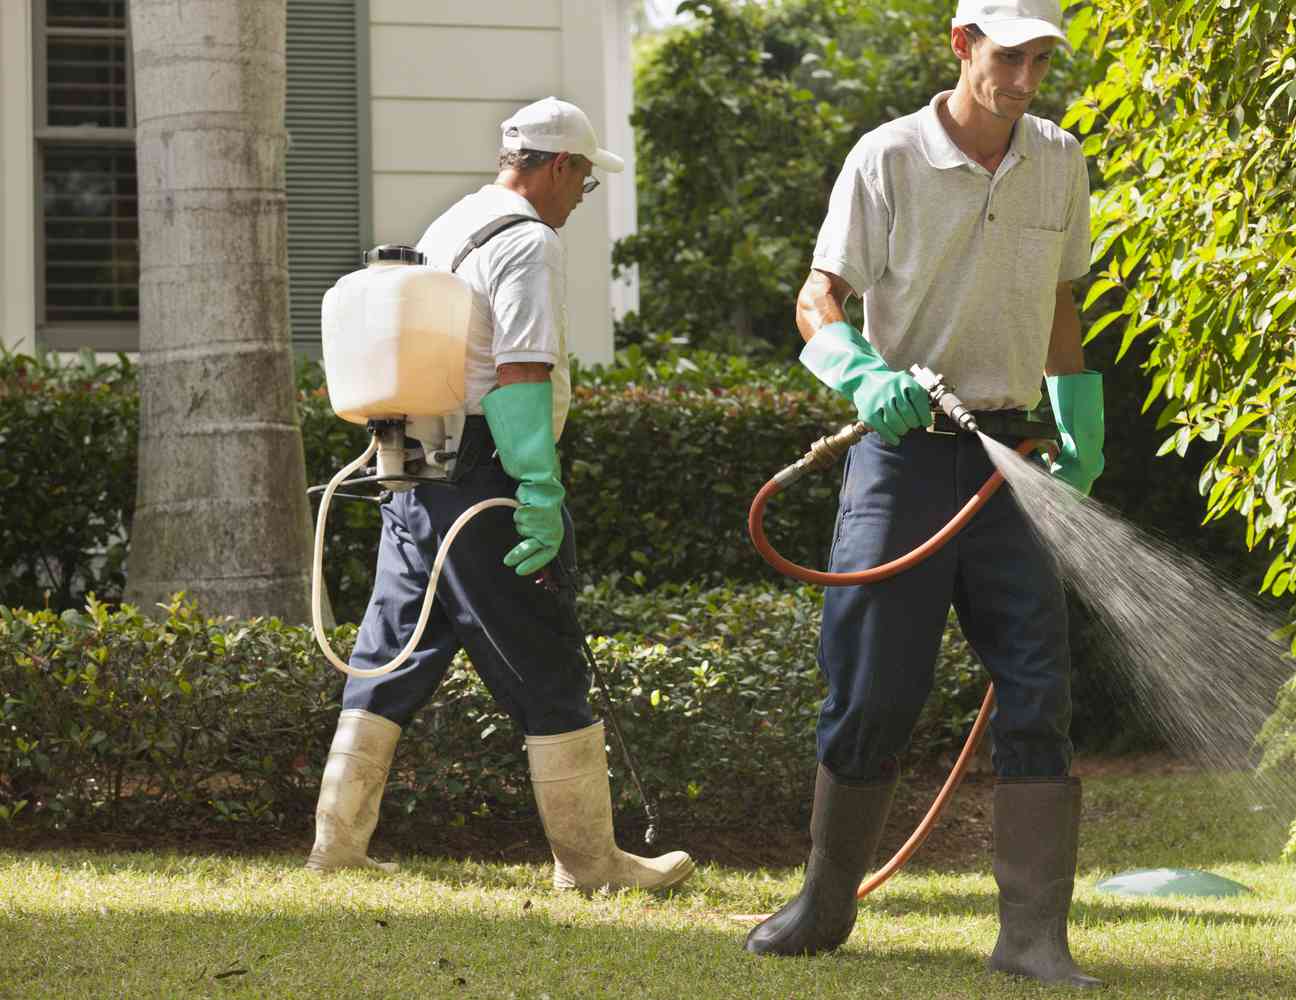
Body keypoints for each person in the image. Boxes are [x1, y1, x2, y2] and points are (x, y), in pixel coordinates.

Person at [744, 1, 1105, 987]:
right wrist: (862, 375)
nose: (1027, 80)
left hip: (1010, 454)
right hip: (902, 458)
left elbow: (1062, 302)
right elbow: (817, 298)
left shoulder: (1061, 159)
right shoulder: (887, 158)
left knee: (1039, 687)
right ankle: (823, 906)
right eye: (1009, 57)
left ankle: (1033, 938)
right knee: (872, 690)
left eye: (1042, 60)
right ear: (961, 46)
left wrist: (1080, 418)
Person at [305, 97, 694, 895]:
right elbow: (520, 370)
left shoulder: (451, 226)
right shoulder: (528, 241)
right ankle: (591, 866)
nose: (579, 200)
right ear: (558, 168)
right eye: (582, 183)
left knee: (389, 654)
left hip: (410, 473)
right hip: (485, 474)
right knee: (545, 655)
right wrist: (539, 485)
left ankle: (335, 847)